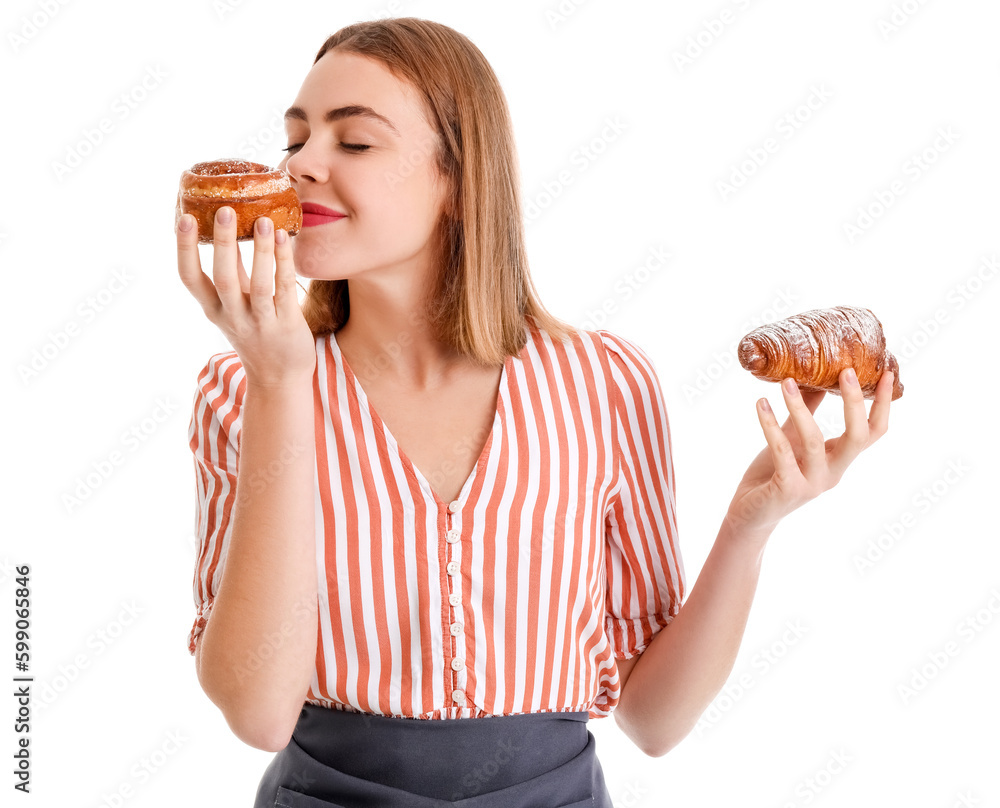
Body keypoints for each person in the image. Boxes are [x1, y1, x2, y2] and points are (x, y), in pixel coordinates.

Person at [175, 17, 893, 808]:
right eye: (295, 140)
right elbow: (257, 713)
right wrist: (280, 383)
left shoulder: (604, 383)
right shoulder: (240, 395)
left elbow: (653, 721)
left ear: (456, 178)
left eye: (354, 143)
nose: (299, 167)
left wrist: (751, 524)